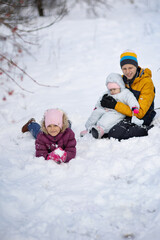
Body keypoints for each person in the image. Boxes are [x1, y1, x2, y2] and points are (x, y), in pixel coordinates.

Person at [101, 50, 156, 140]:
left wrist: (115, 105)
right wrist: (107, 99)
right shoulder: (123, 79)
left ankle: (146, 130)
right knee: (106, 126)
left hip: (143, 116)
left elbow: (140, 113)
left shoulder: (146, 83)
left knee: (115, 133)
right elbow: (113, 91)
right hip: (126, 113)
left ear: (136, 66)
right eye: (124, 69)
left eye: (130, 68)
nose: (127, 72)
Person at [80, 73, 145, 139]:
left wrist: (134, 107)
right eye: (110, 90)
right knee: (95, 114)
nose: (112, 91)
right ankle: (88, 128)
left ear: (120, 86)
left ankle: (100, 130)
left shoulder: (125, 93)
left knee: (107, 119)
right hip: (105, 109)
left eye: (114, 89)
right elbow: (100, 100)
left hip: (117, 112)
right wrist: (97, 107)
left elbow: (131, 100)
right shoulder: (107, 93)